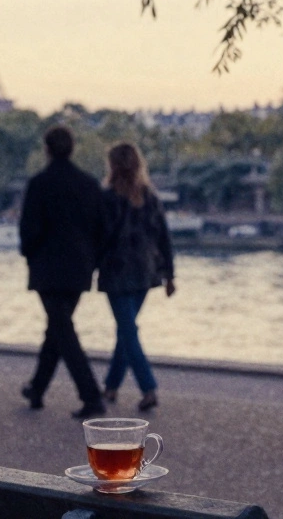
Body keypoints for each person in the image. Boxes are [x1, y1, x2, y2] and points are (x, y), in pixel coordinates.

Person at [18, 125, 107, 419]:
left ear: (46, 149)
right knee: (58, 328)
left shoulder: (39, 184)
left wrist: (30, 256)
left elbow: (29, 230)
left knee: (63, 331)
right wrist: (92, 260)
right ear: (73, 148)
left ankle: (92, 396)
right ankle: (36, 389)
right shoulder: (89, 184)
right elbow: (101, 229)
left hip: (48, 268)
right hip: (80, 268)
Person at [97, 142, 175, 412]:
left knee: (128, 331)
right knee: (126, 331)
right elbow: (163, 237)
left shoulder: (107, 198)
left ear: (113, 165)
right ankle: (110, 388)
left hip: (116, 271)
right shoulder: (149, 196)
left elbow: (98, 239)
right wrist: (170, 275)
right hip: (145, 272)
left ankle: (148, 387)